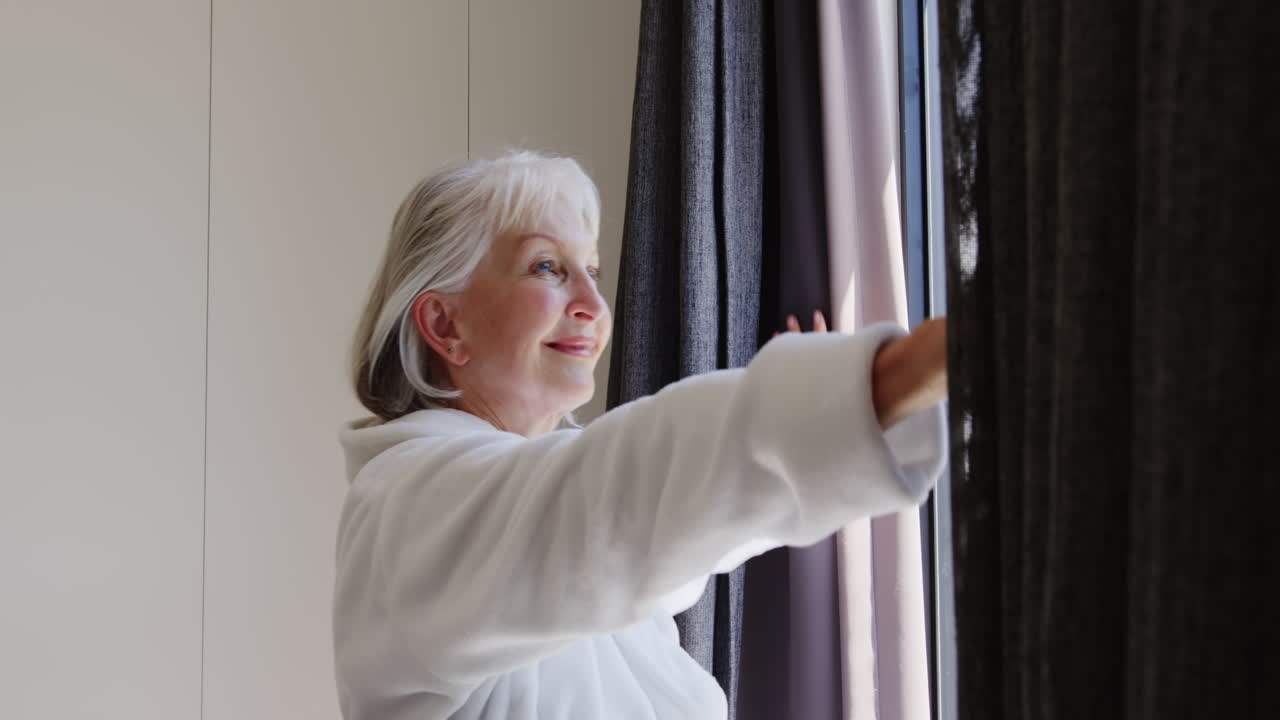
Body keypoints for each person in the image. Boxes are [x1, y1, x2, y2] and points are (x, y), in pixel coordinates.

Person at [334, 149, 949, 720]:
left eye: (592, 271)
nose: (593, 304)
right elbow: (623, 500)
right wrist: (885, 380)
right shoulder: (407, 510)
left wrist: (825, 409)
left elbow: (664, 525)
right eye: (546, 267)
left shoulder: (591, 570)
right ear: (445, 324)